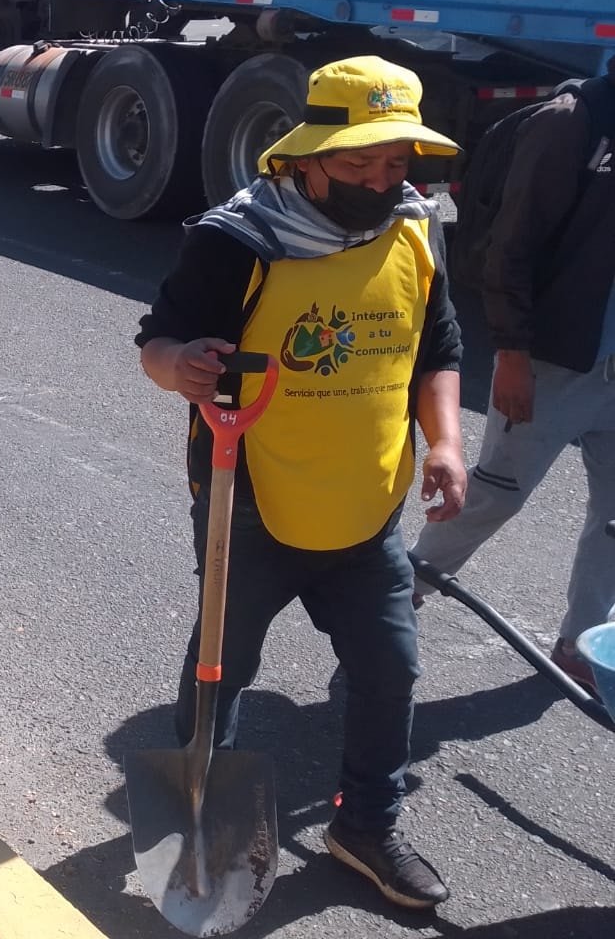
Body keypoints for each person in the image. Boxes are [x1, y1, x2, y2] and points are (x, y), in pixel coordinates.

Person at [135, 57, 466, 910]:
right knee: (221, 666)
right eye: (358, 163)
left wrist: (445, 444)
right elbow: (157, 343)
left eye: (393, 164)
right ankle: (199, 820)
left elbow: (436, 352)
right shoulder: (235, 238)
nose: (379, 180)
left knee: (388, 669)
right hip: (249, 503)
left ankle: (363, 826)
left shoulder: (412, 233)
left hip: (366, 505)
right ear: (306, 155)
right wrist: (183, 367)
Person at [411, 76, 615, 695]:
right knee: (494, 494)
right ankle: (400, 598)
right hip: (556, 360)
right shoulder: (572, 124)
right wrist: (512, 352)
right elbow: (512, 248)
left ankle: (582, 643)